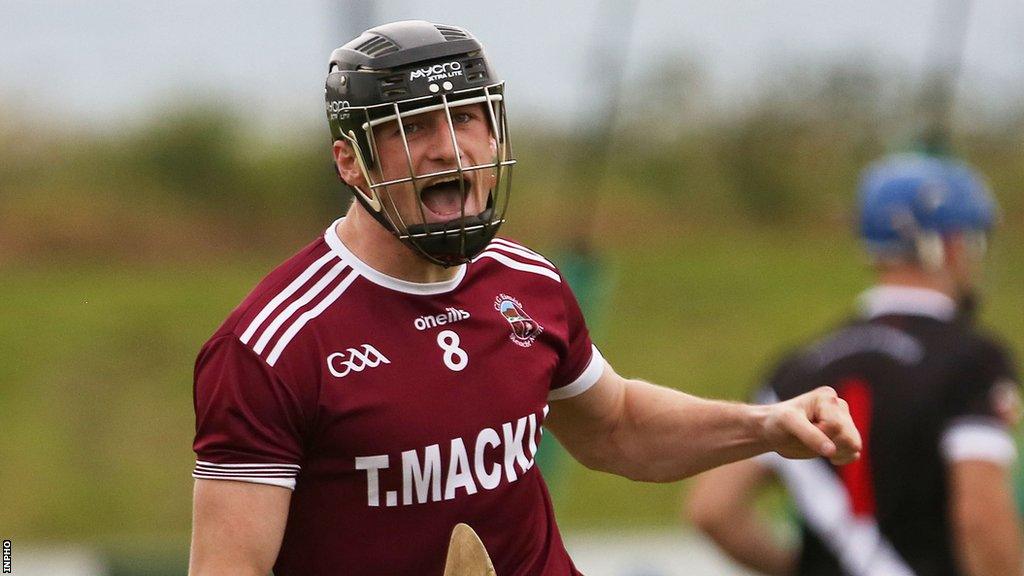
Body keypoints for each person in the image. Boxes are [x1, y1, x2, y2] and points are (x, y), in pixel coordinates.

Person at [187, 20, 860, 576]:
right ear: (350, 161)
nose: (447, 151)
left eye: (467, 121)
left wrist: (764, 428)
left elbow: (618, 428)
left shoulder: (526, 282)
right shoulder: (273, 345)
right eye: (414, 127)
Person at [687, 153, 1022, 576]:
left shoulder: (799, 368)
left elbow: (713, 509)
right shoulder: (973, 359)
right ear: (952, 247)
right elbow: (980, 517)